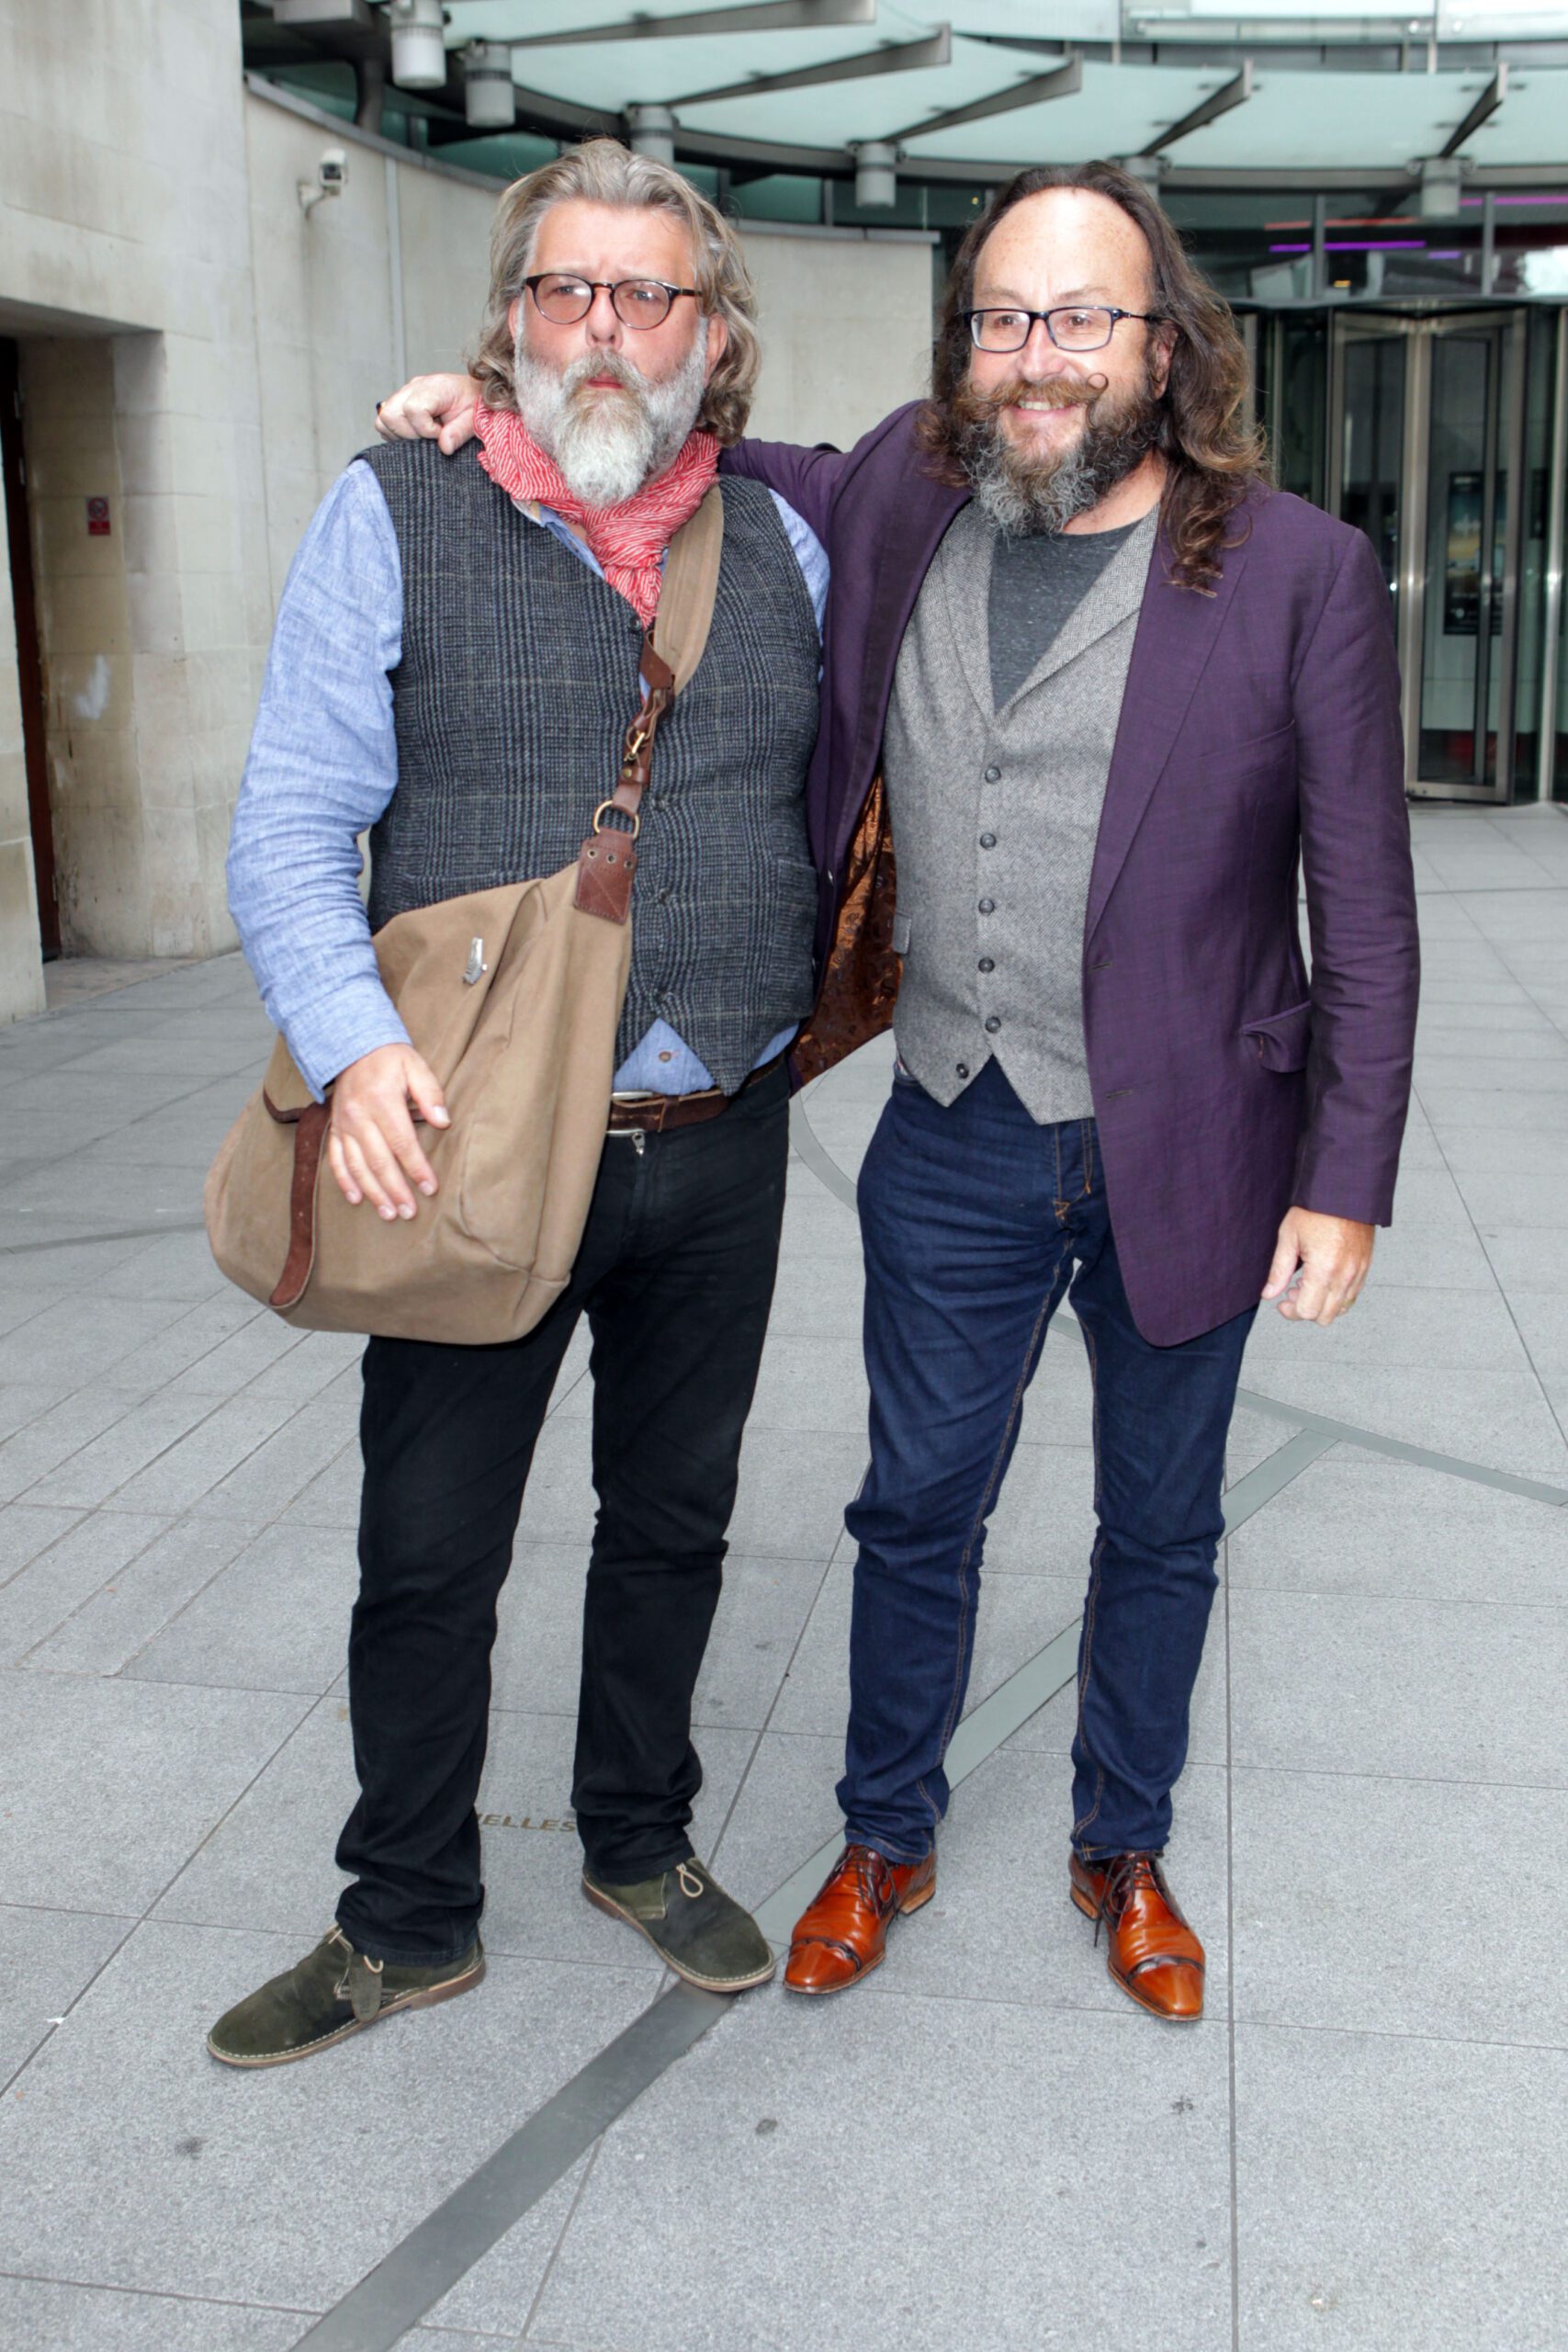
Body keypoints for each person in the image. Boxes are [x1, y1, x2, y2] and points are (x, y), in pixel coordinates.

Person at [375, 160, 1418, 2026]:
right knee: (912, 1506)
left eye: (1079, 316)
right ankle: (884, 1833)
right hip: (951, 1123)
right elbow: (678, 456)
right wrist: (495, 413)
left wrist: (1343, 1177)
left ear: (1161, 345)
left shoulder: (1296, 575)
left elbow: (1368, 908)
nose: (1037, 355)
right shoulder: (895, 494)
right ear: (966, 347)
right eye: (1003, 316)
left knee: (1158, 1522)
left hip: (1192, 1139)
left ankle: (1122, 1842)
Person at [208, 141, 833, 2067]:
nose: (603, 329)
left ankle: (637, 1838)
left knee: (675, 1519)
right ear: (505, 320)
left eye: (648, 295)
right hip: (465, 1137)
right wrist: (351, 1040)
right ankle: (404, 1910)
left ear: (709, 337)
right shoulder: (394, 504)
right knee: (428, 1542)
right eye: (565, 290)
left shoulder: (796, 540)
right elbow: (290, 825)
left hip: (717, 1134)